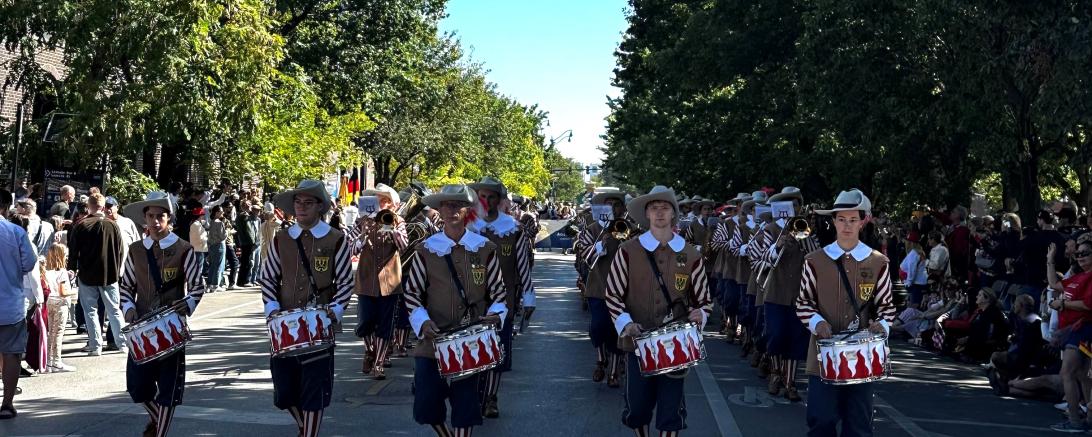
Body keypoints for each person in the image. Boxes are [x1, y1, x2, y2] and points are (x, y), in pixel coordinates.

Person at [403, 184, 509, 437]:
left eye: (458, 205)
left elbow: (498, 292)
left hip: (471, 337)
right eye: (447, 204)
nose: (452, 210)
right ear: (439, 209)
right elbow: (412, 293)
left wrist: (497, 314)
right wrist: (422, 322)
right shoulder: (426, 250)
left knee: (465, 405)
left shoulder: (484, 249)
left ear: (468, 210)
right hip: (433, 337)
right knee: (427, 403)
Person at [605, 185, 712, 437]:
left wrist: (701, 314)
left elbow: (704, 300)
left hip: (676, 344)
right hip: (637, 342)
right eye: (654, 208)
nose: (660, 212)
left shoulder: (690, 254)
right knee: (638, 408)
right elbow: (612, 294)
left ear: (673, 214)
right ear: (647, 214)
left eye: (665, 207)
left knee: (671, 411)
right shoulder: (628, 251)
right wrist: (626, 323)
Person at [796, 189, 896, 437]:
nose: (847, 226)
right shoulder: (814, 260)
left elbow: (887, 307)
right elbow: (803, 302)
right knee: (820, 420)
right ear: (833, 221)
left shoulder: (878, 262)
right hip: (822, 355)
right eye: (841, 219)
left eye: (853, 220)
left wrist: (881, 326)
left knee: (859, 426)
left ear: (863, 221)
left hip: (862, 356)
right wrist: (817, 323)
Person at [259, 180, 352, 437]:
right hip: (285, 324)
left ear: (320, 207)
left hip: (319, 324)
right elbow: (267, 278)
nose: (301, 208)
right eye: (298, 203)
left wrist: (335, 310)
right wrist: (272, 309)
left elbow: (345, 281)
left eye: (308, 203)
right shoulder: (282, 238)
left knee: (314, 388)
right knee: (285, 392)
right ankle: (305, 427)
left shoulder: (336, 239)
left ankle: (309, 432)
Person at [119, 192, 207, 437]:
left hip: (172, 328)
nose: (155, 222)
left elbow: (198, 286)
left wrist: (187, 304)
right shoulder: (136, 250)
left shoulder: (184, 249)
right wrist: (129, 309)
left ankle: (160, 431)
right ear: (144, 219)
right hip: (142, 328)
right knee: (137, 386)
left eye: (161, 217)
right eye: (151, 216)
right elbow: (126, 286)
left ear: (169, 219)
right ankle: (158, 419)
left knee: (168, 388)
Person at [467, 177, 534, 418]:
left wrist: (528, 296)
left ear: (499, 200)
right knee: (474, 349)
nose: (486, 201)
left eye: (491, 197)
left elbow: (522, 264)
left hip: (503, 299)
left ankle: (491, 398)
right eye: (482, 197)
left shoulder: (512, 228)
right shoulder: (468, 227)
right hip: (472, 301)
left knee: (497, 349)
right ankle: (475, 393)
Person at [758, 187, 821, 402]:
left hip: (799, 294)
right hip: (775, 292)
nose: (793, 208)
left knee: (795, 338)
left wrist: (803, 239)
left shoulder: (804, 229)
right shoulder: (770, 229)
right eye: (788, 204)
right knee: (776, 334)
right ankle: (776, 373)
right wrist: (778, 247)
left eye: (796, 204)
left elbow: (816, 256)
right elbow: (761, 258)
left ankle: (790, 381)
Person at [347, 184, 408, 380]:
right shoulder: (361, 221)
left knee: (385, 324)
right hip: (366, 280)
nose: (383, 204)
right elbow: (349, 250)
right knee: (366, 321)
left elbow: (404, 246)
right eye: (380, 200)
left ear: (394, 205)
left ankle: (379, 363)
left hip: (390, 281)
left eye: (387, 200)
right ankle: (369, 350)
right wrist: (363, 235)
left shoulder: (398, 221)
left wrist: (391, 230)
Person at [574, 187, 629, 387]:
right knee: (598, 326)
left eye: (616, 205)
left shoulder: (627, 227)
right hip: (598, 286)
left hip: (622, 289)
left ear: (622, 208)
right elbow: (584, 256)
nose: (613, 208)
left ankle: (614, 371)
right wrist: (601, 245)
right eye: (609, 205)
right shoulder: (593, 229)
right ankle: (600, 358)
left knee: (617, 329)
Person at [67, 193, 126, 356]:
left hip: (87, 274)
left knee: (90, 311)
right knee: (114, 310)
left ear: (89, 206)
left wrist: (71, 269)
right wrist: (117, 268)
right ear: (103, 206)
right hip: (110, 274)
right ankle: (122, 343)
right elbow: (120, 250)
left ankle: (95, 345)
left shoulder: (81, 225)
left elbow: (73, 252)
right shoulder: (113, 225)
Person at [1044, 240, 1092, 432]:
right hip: (1073, 330)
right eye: (1077, 254)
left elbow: (1088, 305)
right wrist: (1050, 261)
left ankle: (1074, 421)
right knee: (1081, 374)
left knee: (1068, 373)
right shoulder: (1079, 277)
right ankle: (1088, 419)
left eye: (1085, 253)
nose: (1080, 257)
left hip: (1083, 328)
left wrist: (1062, 305)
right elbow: (1054, 284)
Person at [0, 188, 38, 419]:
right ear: (4, 207)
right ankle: (7, 403)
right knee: (12, 354)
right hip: (9, 304)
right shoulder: (15, 232)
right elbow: (29, 263)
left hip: (10, 303)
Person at [709, 193, 749, 342]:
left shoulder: (757, 225)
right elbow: (715, 244)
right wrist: (731, 243)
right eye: (743, 205)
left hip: (748, 268)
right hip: (729, 267)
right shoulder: (727, 223)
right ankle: (730, 324)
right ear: (738, 206)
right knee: (730, 299)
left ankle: (742, 330)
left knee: (744, 302)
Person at [43, 243, 76, 372]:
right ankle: (57, 361)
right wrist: (74, 292)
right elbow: (63, 292)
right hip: (60, 303)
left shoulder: (46, 271)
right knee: (58, 333)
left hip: (50, 301)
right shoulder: (62, 272)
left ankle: (49, 362)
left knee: (51, 332)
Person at [236, 203, 262, 287]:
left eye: (259, 210)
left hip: (258, 243)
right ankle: (247, 279)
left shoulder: (258, 220)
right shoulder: (247, 218)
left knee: (257, 263)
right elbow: (248, 232)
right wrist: (252, 242)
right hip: (250, 244)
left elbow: (258, 231)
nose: (258, 212)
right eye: (256, 210)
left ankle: (253, 280)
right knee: (251, 262)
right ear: (252, 210)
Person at [899, 231, 928, 306]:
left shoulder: (914, 253)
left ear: (911, 243)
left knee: (914, 307)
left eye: (907, 241)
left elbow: (912, 269)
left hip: (915, 283)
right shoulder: (919, 251)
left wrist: (908, 283)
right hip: (918, 282)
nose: (906, 242)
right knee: (916, 305)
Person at [206, 206, 227, 292]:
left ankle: (209, 284)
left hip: (212, 245)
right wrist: (228, 231)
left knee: (212, 265)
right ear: (217, 212)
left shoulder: (211, 222)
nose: (223, 213)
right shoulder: (219, 223)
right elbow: (223, 236)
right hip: (219, 245)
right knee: (218, 265)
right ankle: (215, 284)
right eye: (221, 212)